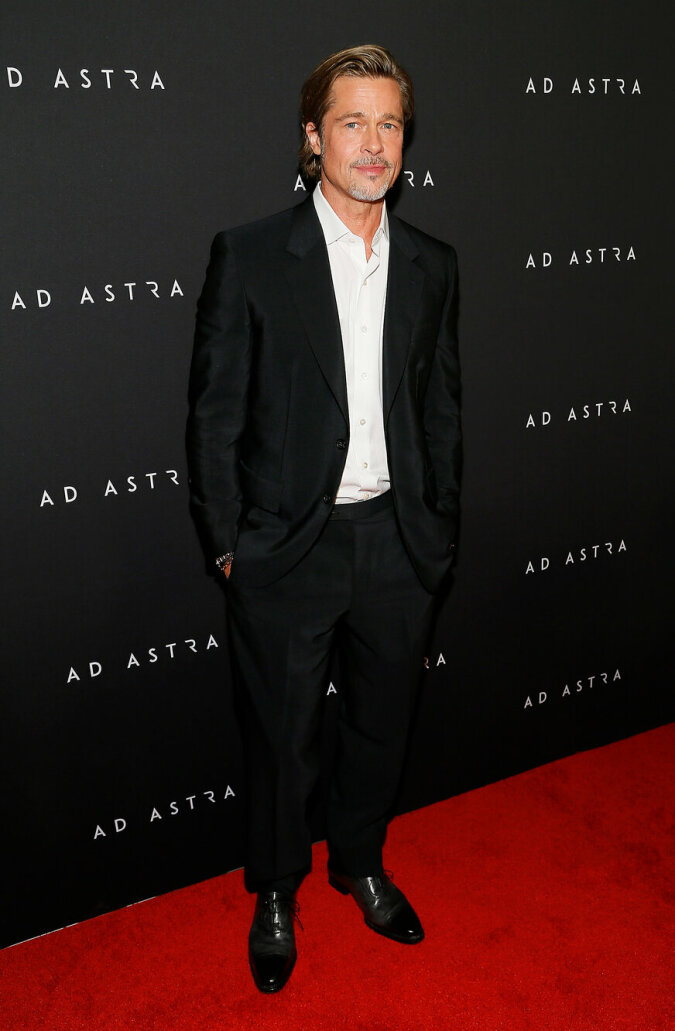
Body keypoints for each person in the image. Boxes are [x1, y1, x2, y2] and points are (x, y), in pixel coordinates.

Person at [186, 44, 461, 993]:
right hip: (286, 549)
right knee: (280, 737)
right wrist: (230, 546)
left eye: (389, 123)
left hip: (397, 540)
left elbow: (442, 408)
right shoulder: (252, 255)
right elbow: (214, 415)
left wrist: (437, 527)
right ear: (313, 138)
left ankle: (360, 863)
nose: (373, 143)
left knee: (381, 725)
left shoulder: (431, 264)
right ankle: (275, 890)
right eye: (352, 122)